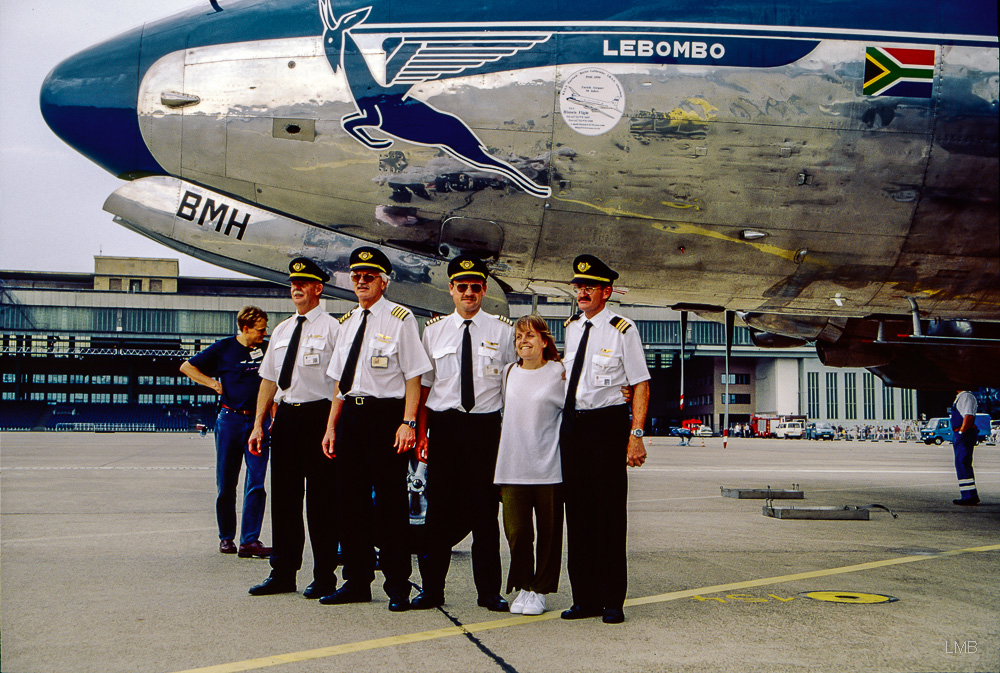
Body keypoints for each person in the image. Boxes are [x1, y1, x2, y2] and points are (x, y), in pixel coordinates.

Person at [320, 247, 431, 612]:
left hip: (386, 417)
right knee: (348, 503)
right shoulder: (347, 321)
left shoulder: (401, 319)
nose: (362, 281)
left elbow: (414, 375)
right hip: (351, 415)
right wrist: (331, 426)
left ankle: (397, 584)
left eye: (369, 276)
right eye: (356, 276)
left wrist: (408, 422)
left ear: (384, 281)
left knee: (390, 506)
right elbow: (340, 381)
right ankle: (356, 581)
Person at [410, 256, 515, 612]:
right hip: (445, 427)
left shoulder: (503, 332)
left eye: (475, 287)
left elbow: (515, 385)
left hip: (485, 429)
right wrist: (422, 435)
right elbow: (425, 389)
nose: (469, 293)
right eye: (461, 287)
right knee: (438, 514)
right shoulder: (433, 332)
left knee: (486, 515)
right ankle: (431, 590)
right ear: (451, 290)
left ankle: (489, 592)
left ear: (484, 290)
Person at [559, 254, 650, 625]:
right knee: (577, 515)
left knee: (609, 516)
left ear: (606, 291)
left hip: (607, 426)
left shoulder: (622, 329)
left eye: (589, 287)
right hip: (574, 426)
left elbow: (641, 383)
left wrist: (636, 435)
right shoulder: (571, 327)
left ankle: (612, 600)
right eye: (579, 286)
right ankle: (584, 599)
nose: (582, 292)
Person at [246, 258, 340, 599]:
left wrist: (332, 425)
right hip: (285, 417)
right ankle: (283, 573)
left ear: (318, 288)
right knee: (284, 500)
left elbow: (340, 382)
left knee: (322, 503)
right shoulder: (283, 330)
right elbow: (269, 380)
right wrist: (259, 424)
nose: (296, 288)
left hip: (320, 417)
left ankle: (324, 576)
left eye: (304, 283)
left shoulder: (334, 328)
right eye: (292, 283)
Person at [179, 306, 272, 558]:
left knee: (256, 482)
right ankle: (226, 537)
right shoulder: (223, 348)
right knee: (226, 482)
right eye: (260, 330)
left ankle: (250, 540)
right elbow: (186, 367)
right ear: (245, 328)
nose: (264, 334)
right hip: (230, 420)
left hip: (258, 422)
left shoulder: (266, 349)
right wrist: (212, 383)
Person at [494, 314, 565, 616]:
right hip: (512, 465)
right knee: (518, 532)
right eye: (519, 337)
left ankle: (541, 590)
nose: (523, 341)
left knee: (549, 534)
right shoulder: (508, 372)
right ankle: (524, 585)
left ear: (545, 340)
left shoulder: (560, 372)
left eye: (530, 336)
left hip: (548, 466)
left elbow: (587, 396)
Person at [951, 390, 980, 506]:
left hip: (964, 434)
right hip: (961, 433)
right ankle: (968, 494)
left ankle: (969, 496)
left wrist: (962, 432)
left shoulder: (966, 396)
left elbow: (968, 416)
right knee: (961, 463)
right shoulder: (961, 397)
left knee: (962, 462)